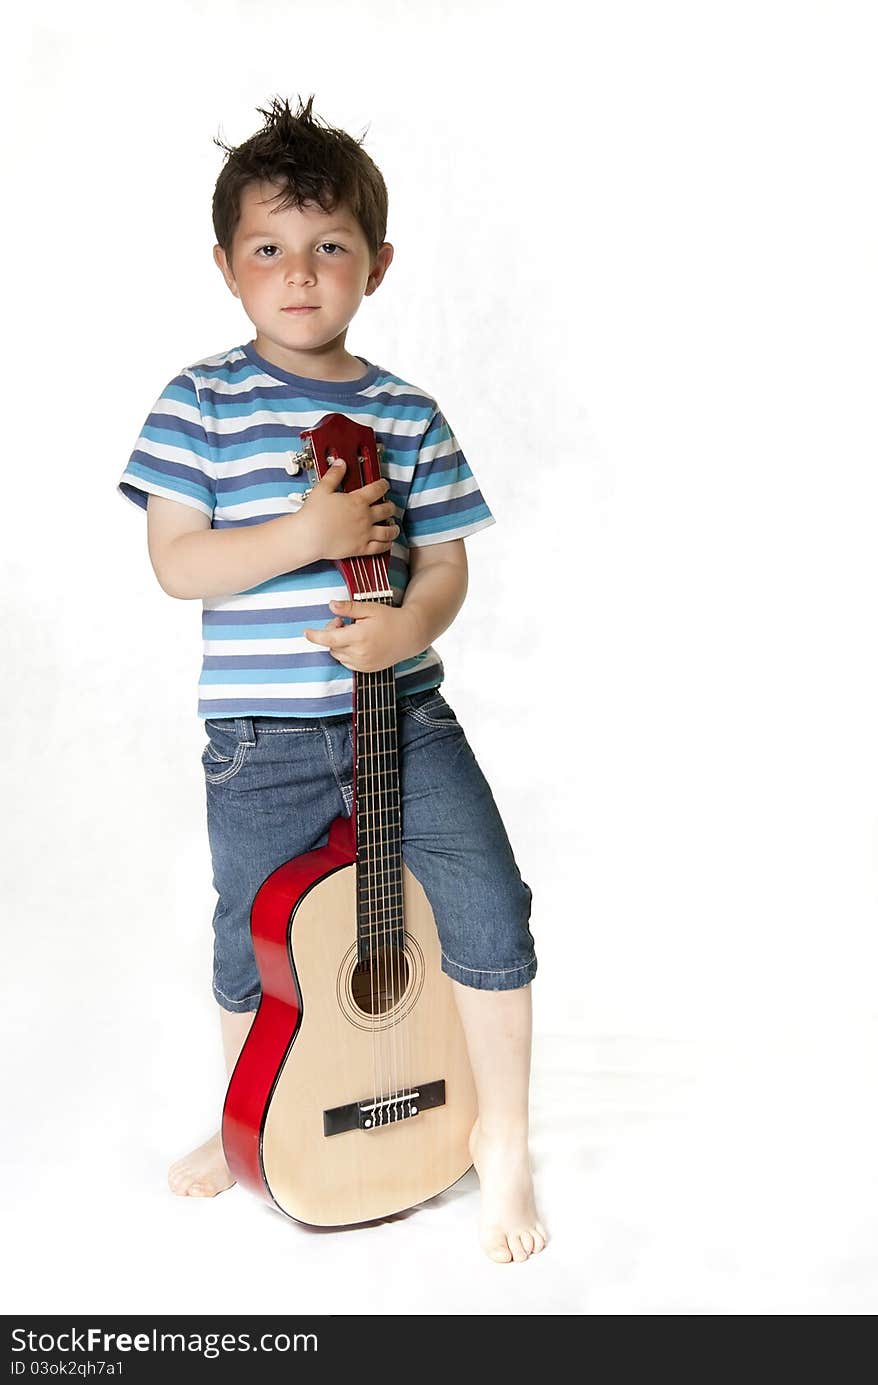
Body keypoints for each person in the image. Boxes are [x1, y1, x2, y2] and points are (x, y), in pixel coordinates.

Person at [118, 94, 546, 1264]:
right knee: (250, 933)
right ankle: (244, 1114)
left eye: (329, 247)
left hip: (404, 714)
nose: (297, 273)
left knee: (488, 903)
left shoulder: (406, 412)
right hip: (261, 732)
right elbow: (177, 561)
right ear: (225, 266)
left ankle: (502, 1136)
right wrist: (309, 533)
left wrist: (408, 616)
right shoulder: (198, 403)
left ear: (377, 263)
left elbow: (448, 557)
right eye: (267, 247)